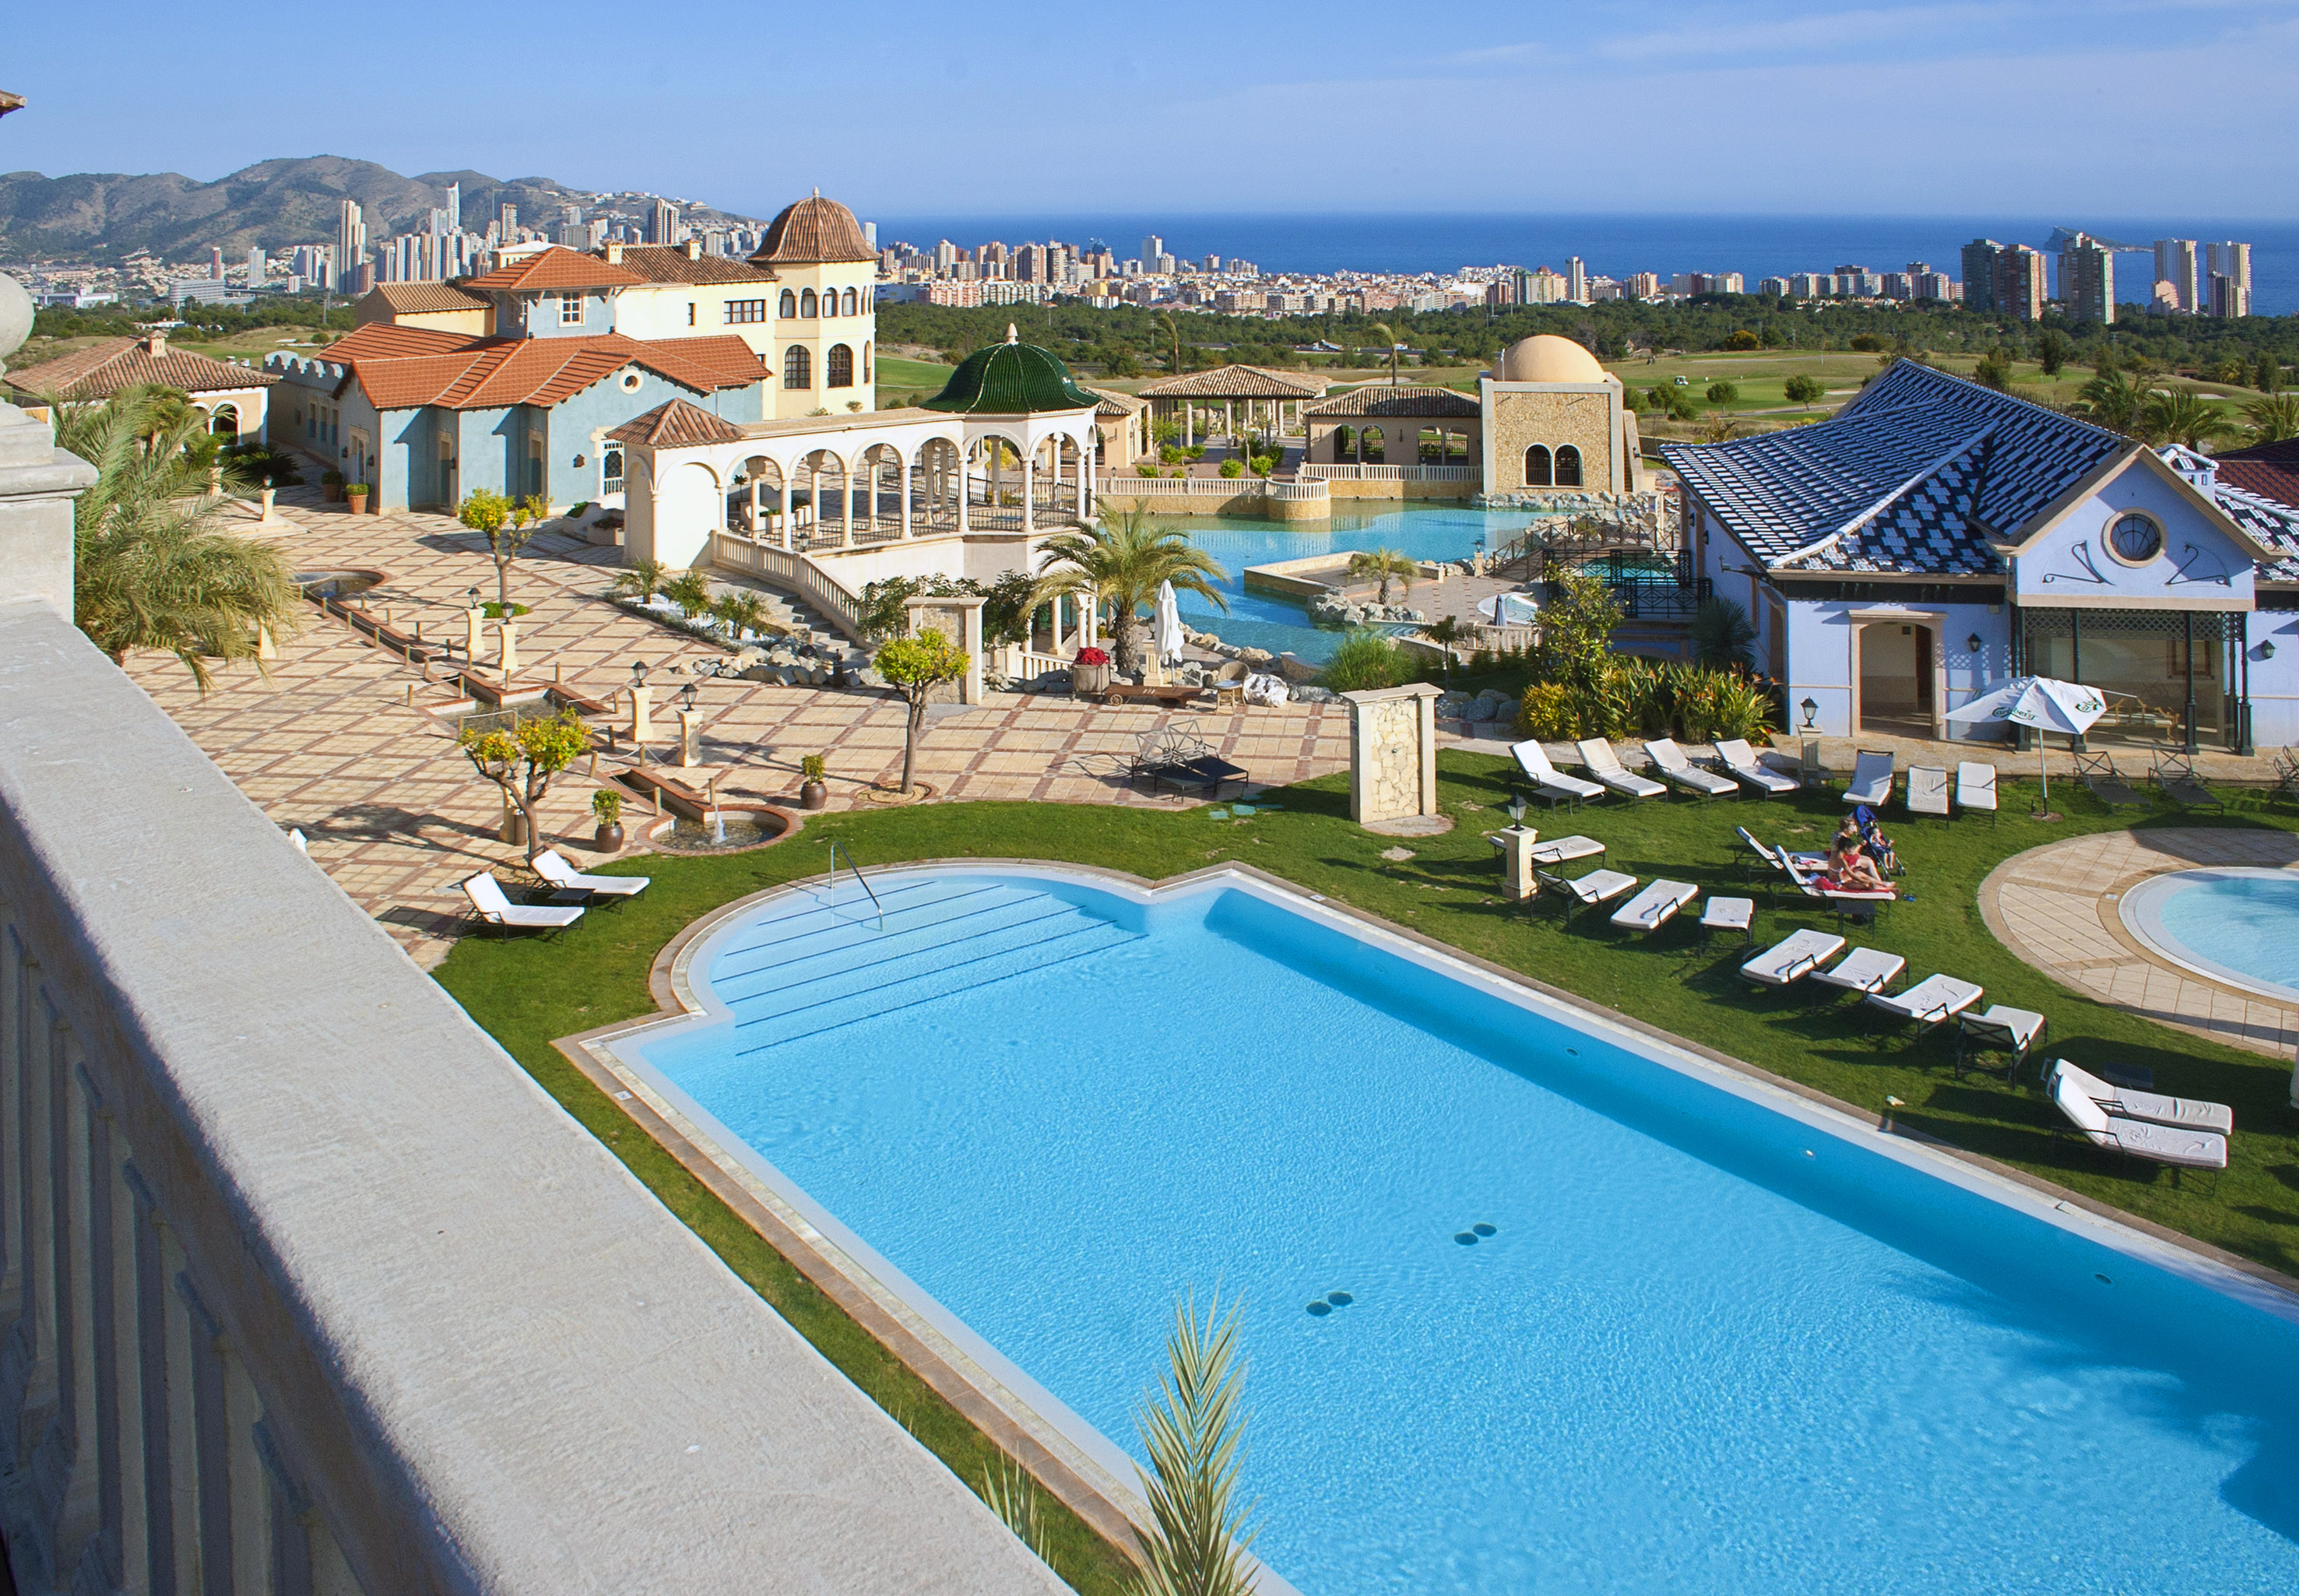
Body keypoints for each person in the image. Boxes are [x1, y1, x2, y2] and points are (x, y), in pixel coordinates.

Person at [1826, 823, 1889, 892]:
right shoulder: (1841, 859)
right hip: (1839, 883)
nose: (1854, 829)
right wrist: (1867, 882)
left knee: (1860, 874)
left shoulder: (1836, 853)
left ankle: (1882, 883)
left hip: (1841, 878)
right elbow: (1852, 875)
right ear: (1846, 848)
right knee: (1866, 885)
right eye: (1851, 849)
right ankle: (1883, 886)